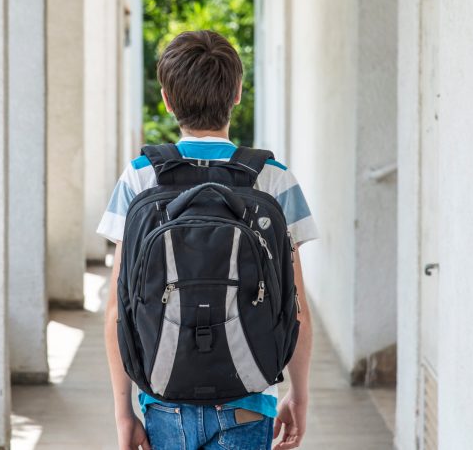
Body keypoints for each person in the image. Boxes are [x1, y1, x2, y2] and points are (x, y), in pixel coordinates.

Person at [97, 30, 318, 450]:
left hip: (163, 398)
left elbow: (117, 310)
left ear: (166, 98)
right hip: (250, 400)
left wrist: (123, 412)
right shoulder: (274, 178)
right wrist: (299, 396)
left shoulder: (140, 176)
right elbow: (296, 307)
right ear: (236, 93)